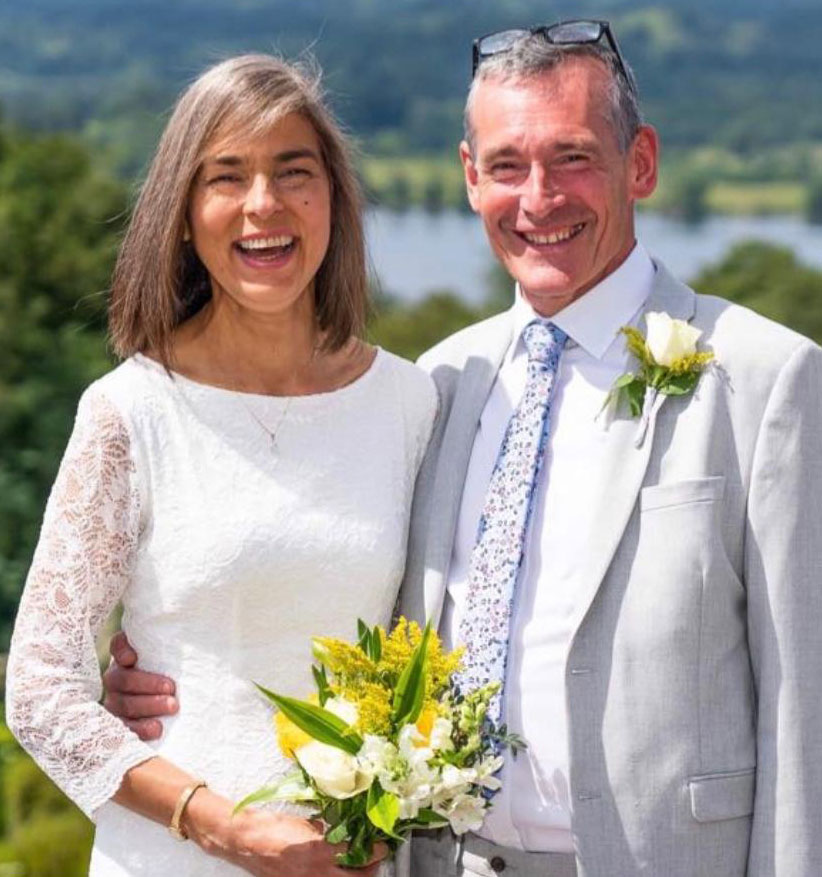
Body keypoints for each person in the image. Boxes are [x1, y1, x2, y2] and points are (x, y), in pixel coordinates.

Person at [103, 21, 822, 877]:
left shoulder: (766, 378)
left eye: (574, 157)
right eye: (508, 165)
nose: (539, 197)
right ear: (470, 176)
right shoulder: (439, 384)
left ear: (641, 163)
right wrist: (179, 660)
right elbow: (342, 587)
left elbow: (803, 711)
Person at [5, 54, 436, 877]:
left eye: (293, 172)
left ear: (335, 199)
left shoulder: (409, 405)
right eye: (226, 176)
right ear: (182, 211)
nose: (262, 206)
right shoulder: (132, 411)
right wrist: (218, 825)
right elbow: (37, 688)